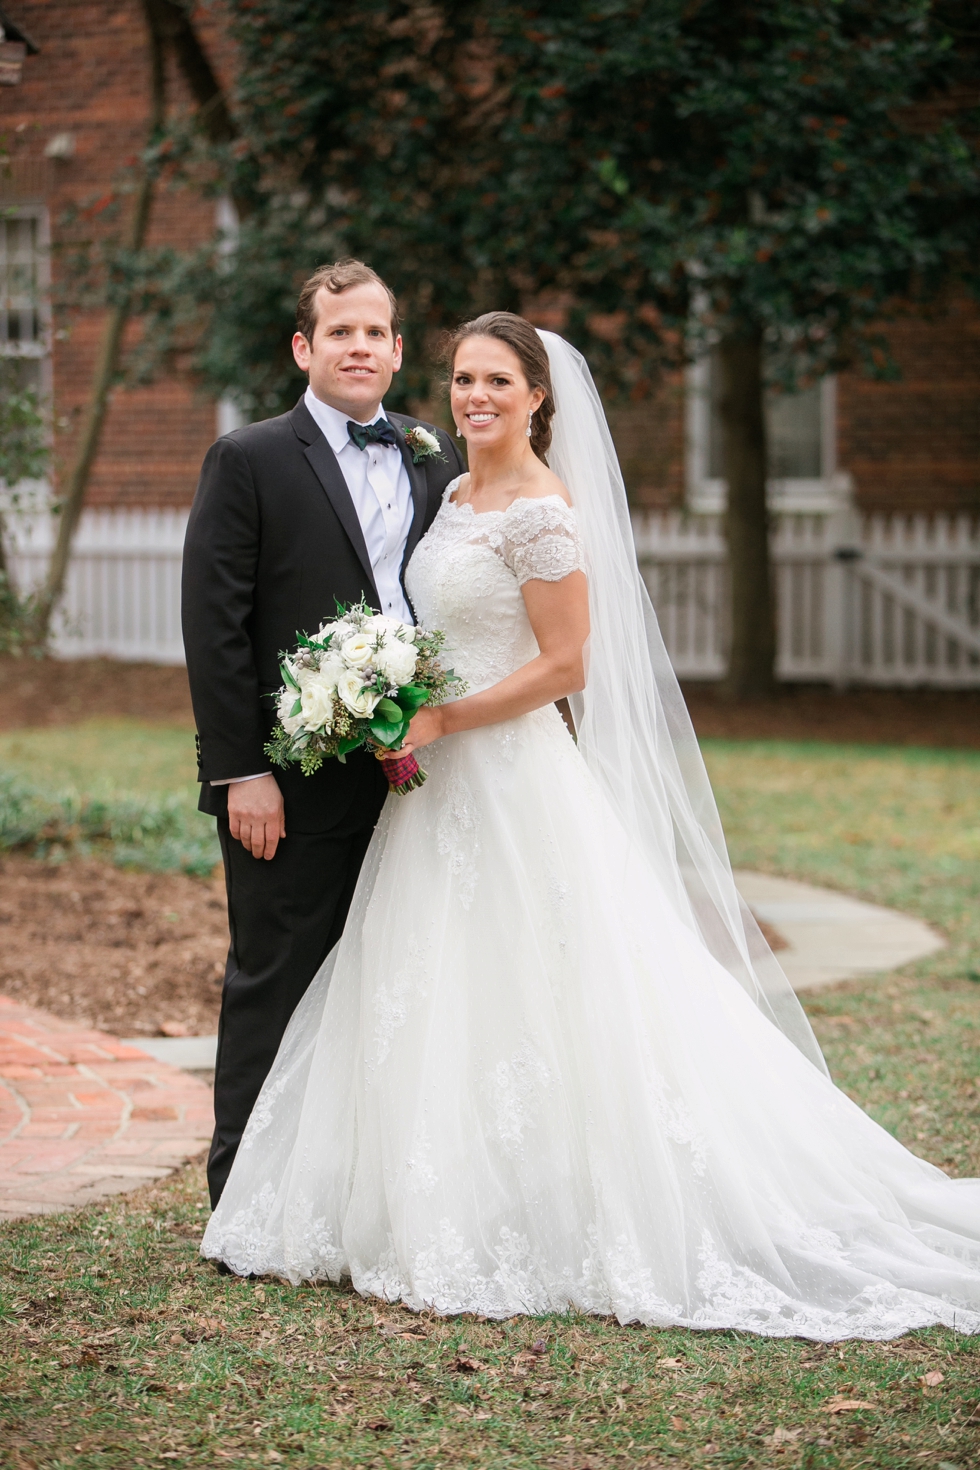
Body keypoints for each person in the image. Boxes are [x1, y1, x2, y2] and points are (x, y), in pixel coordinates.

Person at [201, 313, 980, 1340]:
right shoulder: (451, 494)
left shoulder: (541, 510)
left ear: (537, 396)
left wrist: (443, 715)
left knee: (552, 985)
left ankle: (565, 1206)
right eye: (463, 379)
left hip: (513, 777)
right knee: (436, 987)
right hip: (431, 790)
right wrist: (386, 700)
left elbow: (566, 666)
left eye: (496, 381)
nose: (474, 396)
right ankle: (435, 1194)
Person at [182, 260, 463, 1207]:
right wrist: (239, 773)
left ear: (394, 347)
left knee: (392, 982)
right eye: (340, 331)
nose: (361, 347)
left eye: (376, 332)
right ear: (305, 348)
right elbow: (212, 626)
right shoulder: (250, 459)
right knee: (278, 977)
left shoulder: (432, 456)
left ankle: (364, 1190)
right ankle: (246, 1197)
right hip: (289, 779)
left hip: (416, 770)